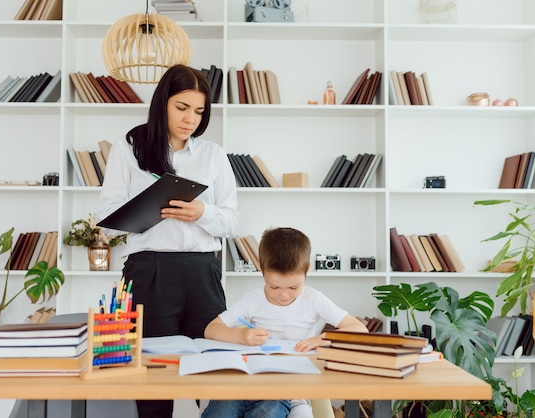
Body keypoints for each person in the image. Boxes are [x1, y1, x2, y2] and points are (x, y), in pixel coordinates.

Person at [97, 64, 238, 418]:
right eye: (182, 107)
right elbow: (109, 220)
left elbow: (232, 222)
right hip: (149, 272)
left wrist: (201, 212)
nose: (190, 118)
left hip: (203, 273)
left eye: (199, 111)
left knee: (213, 374)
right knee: (152, 382)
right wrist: (148, 210)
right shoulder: (128, 148)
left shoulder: (213, 155)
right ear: (162, 103)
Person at [201, 227, 368, 418]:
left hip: (287, 388)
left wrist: (323, 339)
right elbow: (211, 329)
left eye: (293, 287)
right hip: (246, 383)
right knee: (219, 412)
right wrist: (240, 335)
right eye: (273, 286)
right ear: (262, 272)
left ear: (307, 270)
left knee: (266, 412)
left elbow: (359, 329)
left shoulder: (313, 299)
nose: (283, 294)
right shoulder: (252, 300)